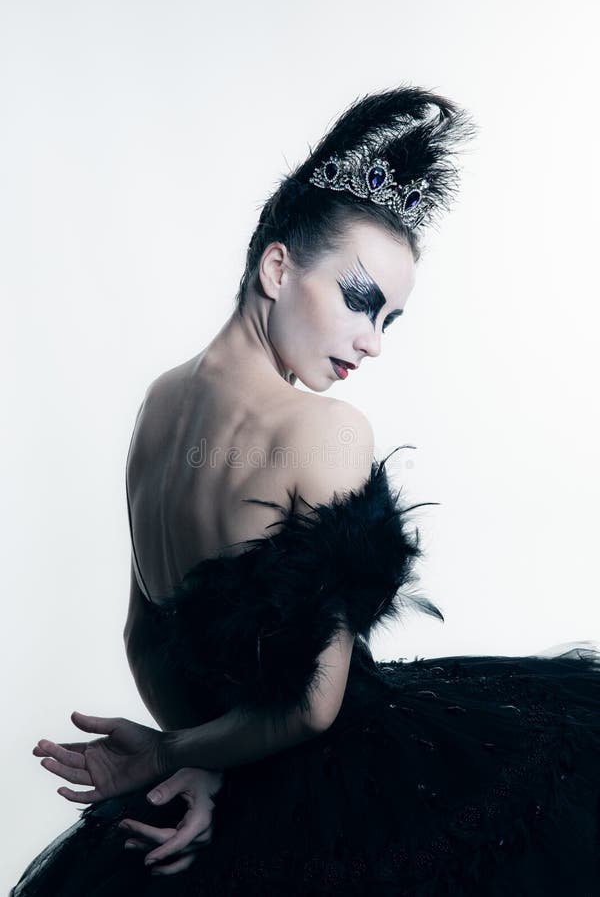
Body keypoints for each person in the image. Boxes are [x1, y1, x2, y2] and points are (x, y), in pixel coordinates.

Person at [11, 85, 600, 896]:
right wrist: (176, 757)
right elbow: (314, 712)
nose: (371, 342)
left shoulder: (158, 403)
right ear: (277, 267)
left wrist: (198, 758)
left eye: (388, 319)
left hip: (230, 761)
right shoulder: (324, 432)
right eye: (360, 301)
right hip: (338, 784)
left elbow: (145, 635)